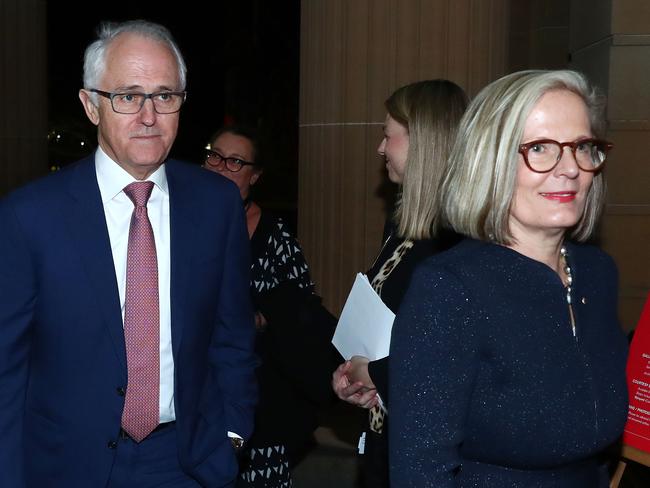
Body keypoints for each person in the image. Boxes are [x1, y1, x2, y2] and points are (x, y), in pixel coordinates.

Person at [0, 20, 257, 488]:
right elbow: (7, 368)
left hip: (187, 461)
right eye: (127, 96)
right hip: (66, 465)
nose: (148, 115)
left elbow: (233, 333)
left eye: (164, 96)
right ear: (91, 105)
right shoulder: (29, 215)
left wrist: (233, 435)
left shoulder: (216, 204)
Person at [389, 70, 629, 487]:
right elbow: (420, 472)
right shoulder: (450, 289)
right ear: (490, 161)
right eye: (539, 148)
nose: (570, 169)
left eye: (582, 148)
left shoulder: (597, 273)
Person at [330, 79, 468, 487]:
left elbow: (457, 356)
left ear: (422, 141)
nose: (380, 148)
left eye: (387, 135)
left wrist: (376, 373)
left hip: (430, 455)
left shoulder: (462, 237)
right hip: (386, 436)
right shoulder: (404, 222)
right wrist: (356, 377)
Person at [204, 125, 338, 487]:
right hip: (195, 401)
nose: (220, 166)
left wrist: (262, 318)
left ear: (256, 175)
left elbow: (304, 315)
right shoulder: (178, 227)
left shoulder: (275, 238)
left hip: (261, 404)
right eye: (215, 156)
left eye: (235, 161)